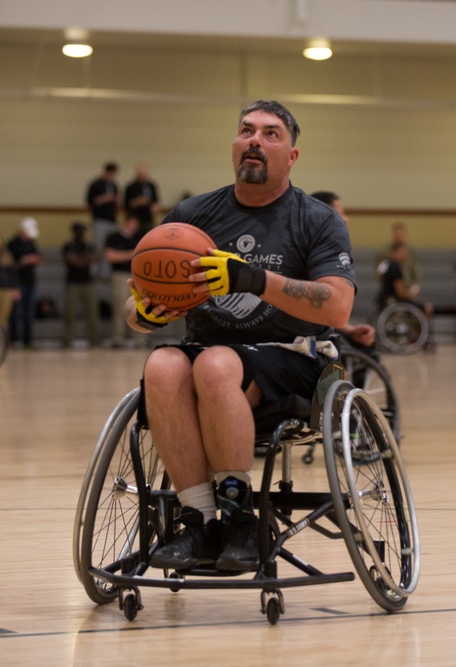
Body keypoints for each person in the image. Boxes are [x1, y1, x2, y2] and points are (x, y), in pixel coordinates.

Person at [126, 100, 355, 572]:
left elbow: (337, 304)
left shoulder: (317, 219)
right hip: (207, 352)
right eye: (246, 130)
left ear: (291, 156)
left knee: (215, 364)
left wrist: (253, 279)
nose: (255, 140)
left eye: (271, 134)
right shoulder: (193, 214)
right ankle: (199, 519)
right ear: (234, 146)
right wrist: (144, 314)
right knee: (162, 364)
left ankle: (238, 514)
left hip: (292, 357)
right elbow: (136, 303)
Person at [310, 190, 377, 354]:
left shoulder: (333, 248)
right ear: (326, 216)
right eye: (342, 213)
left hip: (324, 328)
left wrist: (350, 330)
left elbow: (328, 312)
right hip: (307, 337)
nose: (346, 219)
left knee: (367, 346)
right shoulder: (311, 252)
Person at [104, 214, 141, 348]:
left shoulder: (138, 239)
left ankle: (139, 339)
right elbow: (111, 256)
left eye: (135, 224)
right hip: (119, 275)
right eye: (131, 222)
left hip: (135, 275)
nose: (133, 226)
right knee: (119, 307)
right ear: (125, 222)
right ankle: (117, 339)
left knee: (138, 307)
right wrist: (131, 254)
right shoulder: (113, 237)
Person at [62, 221, 101, 348]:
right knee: (70, 314)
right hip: (73, 283)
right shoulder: (68, 246)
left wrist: (80, 260)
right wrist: (85, 260)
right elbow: (72, 260)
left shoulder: (89, 246)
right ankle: (67, 340)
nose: (80, 233)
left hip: (88, 282)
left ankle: (94, 340)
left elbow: (93, 258)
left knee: (93, 313)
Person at [7, 217, 44, 349]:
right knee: (16, 313)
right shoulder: (12, 244)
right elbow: (9, 265)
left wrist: (35, 259)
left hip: (30, 281)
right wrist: (23, 261)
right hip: (18, 282)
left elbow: (39, 257)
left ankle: (27, 341)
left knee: (29, 312)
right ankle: (13, 340)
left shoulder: (31, 243)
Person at [86, 162, 120, 279]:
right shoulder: (95, 185)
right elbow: (90, 202)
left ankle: (105, 273)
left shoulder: (113, 185)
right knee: (98, 246)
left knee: (109, 247)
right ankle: (94, 272)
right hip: (100, 219)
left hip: (111, 219)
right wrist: (104, 198)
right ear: (106, 172)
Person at [376, 221, 420, 298]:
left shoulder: (411, 252)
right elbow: (379, 272)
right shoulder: (386, 254)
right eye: (397, 234)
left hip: (407, 289)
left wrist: (414, 288)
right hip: (394, 292)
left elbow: (416, 274)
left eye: (401, 234)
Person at [124, 163, 160, 236]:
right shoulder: (131, 187)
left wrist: (155, 207)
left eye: (144, 175)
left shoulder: (151, 186)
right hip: (135, 219)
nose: (142, 177)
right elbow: (126, 204)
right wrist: (137, 202)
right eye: (140, 175)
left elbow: (156, 201)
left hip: (148, 219)